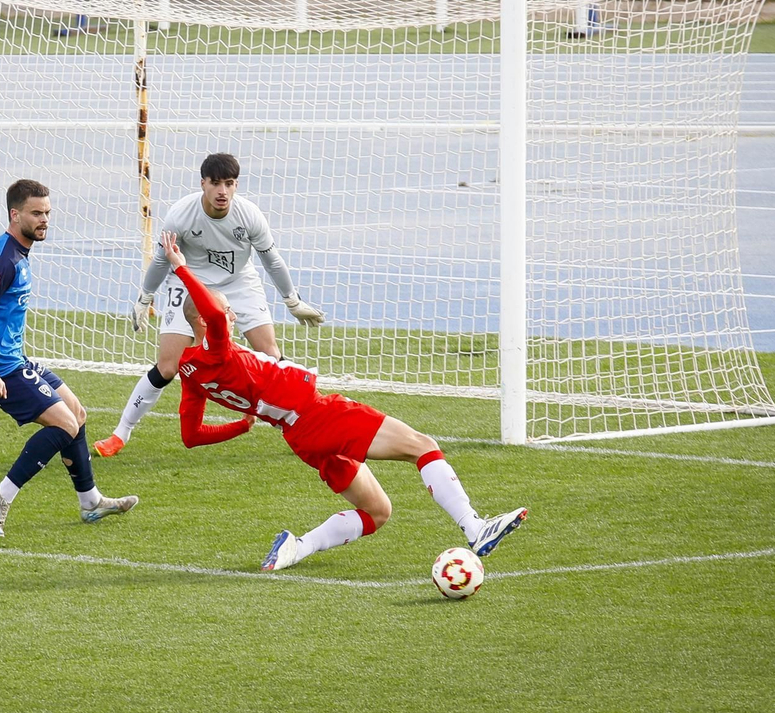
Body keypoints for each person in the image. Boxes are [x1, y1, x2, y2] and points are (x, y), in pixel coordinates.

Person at [155, 232, 528, 571]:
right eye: (227, 310)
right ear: (204, 320)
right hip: (318, 415)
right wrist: (182, 268)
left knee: (377, 511)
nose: (234, 315)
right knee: (423, 446)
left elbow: (191, 435)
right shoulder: (216, 349)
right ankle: (475, 527)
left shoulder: (190, 373)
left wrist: (240, 425)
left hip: (300, 437)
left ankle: (296, 547)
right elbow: (217, 313)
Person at [96, 152, 324, 458]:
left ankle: (308, 423)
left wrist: (292, 301)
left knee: (270, 354)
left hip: (239, 282)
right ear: (203, 183)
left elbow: (271, 260)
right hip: (189, 281)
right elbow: (164, 259)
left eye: (229, 184)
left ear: (236, 185)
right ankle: (120, 434)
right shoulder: (181, 215)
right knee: (168, 366)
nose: (222, 191)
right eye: (215, 183)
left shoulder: (250, 216)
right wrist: (145, 297)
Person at [0, 178, 138, 537]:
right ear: (15, 214)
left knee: (77, 413)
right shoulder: (4, 258)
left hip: (15, 359)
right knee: (64, 425)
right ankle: (1, 493)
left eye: (48, 213)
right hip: (1, 368)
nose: (44, 220)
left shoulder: (14, 250)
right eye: (36, 213)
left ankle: (90, 502)